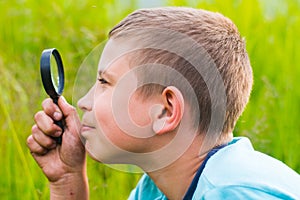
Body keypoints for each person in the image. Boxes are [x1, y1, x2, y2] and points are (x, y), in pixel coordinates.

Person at [27, 7, 300, 199]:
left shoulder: (234, 192)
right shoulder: (155, 190)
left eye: (105, 83)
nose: (84, 102)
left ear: (166, 111)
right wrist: (67, 180)